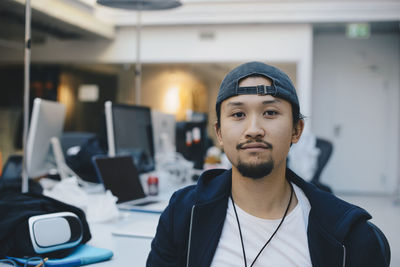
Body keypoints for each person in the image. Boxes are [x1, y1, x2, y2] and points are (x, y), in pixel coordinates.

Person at [147, 62, 389, 267]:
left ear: (297, 130)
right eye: (238, 114)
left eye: (270, 113)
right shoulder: (182, 215)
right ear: (219, 133)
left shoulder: (350, 234)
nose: (254, 130)